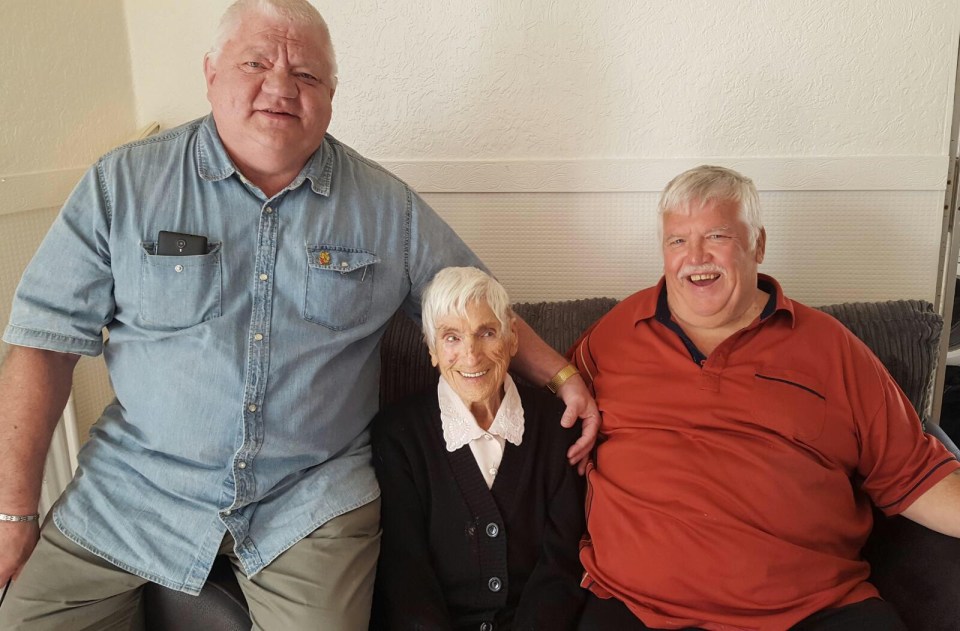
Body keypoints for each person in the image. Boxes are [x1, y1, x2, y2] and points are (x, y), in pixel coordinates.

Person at [0, 1, 598, 628]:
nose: (280, 88)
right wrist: (14, 516)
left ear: (332, 93)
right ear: (210, 73)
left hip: (310, 505)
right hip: (136, 490)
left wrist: (562, 377)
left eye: (307, 75)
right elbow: (42, 344)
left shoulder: (386, 208)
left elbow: (480, 304)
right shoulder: (121, 185)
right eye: (255, 63)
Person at [571, 165, 960, 631]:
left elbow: (915, 473)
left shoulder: (831, 348)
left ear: (757, 244)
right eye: (677, 240)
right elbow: (528, 400)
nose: (694, 257)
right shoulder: (614, 335)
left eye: (716, 236)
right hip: (638, 610)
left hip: (814, 610)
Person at [370, 267, 587, 630]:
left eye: (486, 333)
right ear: (432, 350)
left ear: (513, 339)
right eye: (451, 338)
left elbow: (562, 562)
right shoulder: (397, 435)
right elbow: (404, 574)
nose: (471, 356)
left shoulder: (557, 426)